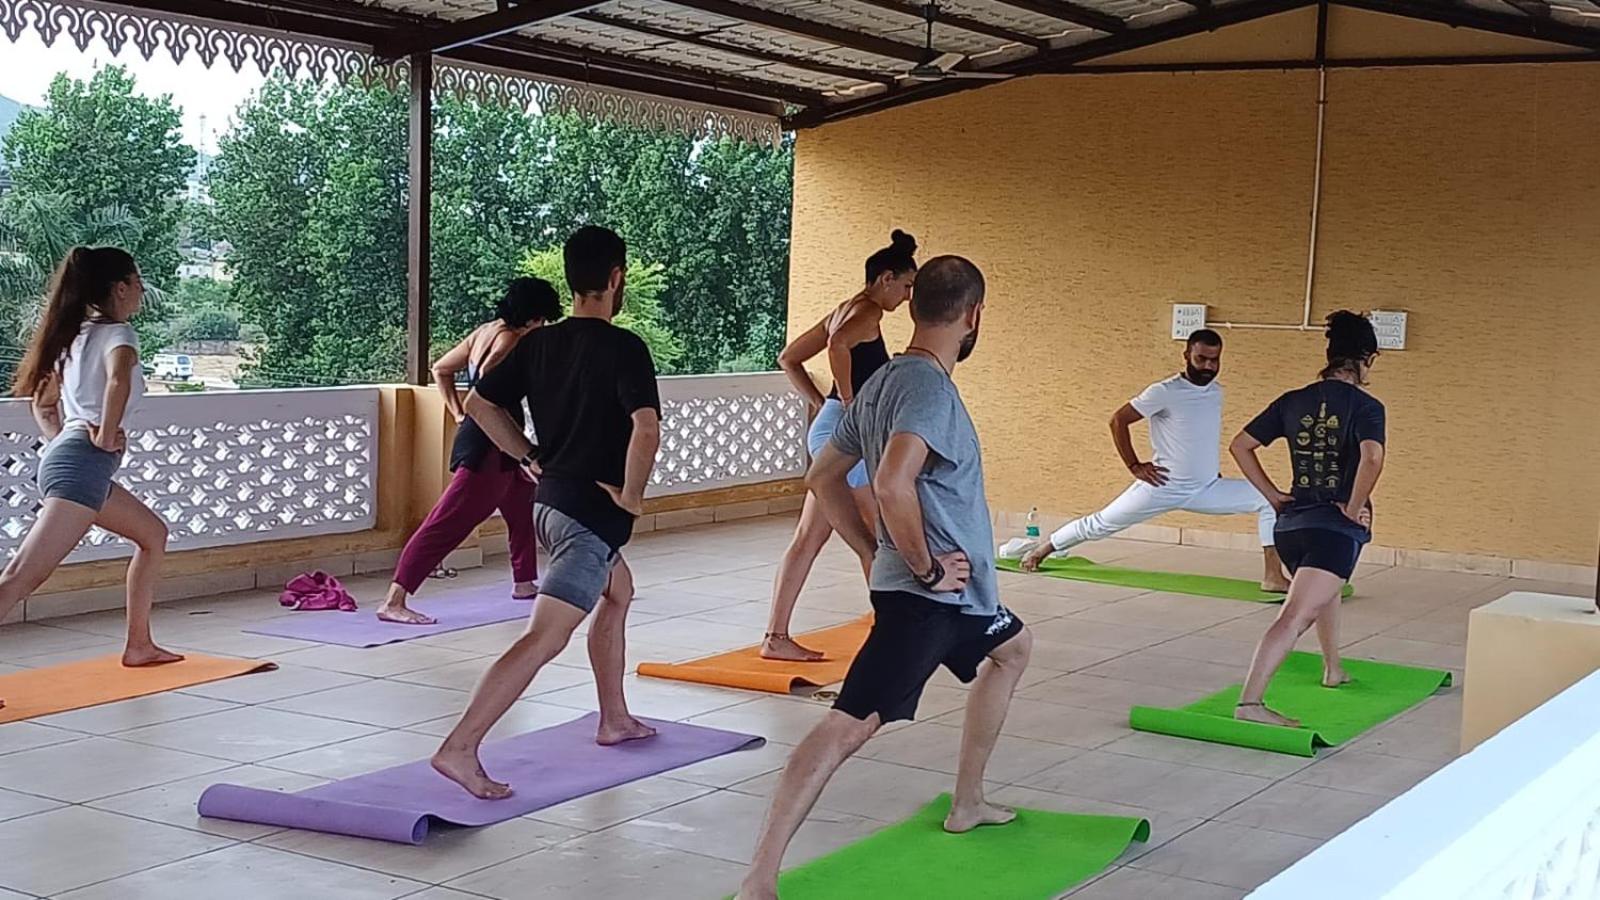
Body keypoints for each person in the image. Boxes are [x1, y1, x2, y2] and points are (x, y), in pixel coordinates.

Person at [737, 256, 1032, 900]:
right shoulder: (927, 391)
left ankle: (968, 801)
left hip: (963, 599)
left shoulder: (885, 380)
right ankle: (759, 879)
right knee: (847, 724)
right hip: (931, 601)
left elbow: (822, 476)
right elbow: (893, 482)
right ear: (974, 315)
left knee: (1013, 649)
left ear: (913, 304)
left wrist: (873, 551)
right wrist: (922, 566)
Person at [430, 226, 662, 799]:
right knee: (544, 638)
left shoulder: (538, 343)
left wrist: (529, 455)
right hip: (587, 518)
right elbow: (646, 428)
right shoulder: (625, 347)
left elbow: (479, 403)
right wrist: (633, 496)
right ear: (616, 278)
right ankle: (460, 748)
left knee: (619, 592)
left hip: (553, 503)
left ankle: (614, 718)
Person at [0, 247, 182, 708]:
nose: (141, 290)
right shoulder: (120, 334)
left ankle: (139, 646)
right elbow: (118, 380)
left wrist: (68, 438)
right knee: (20, 577)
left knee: (153, 535)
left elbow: (43, 405)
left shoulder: (76, 336)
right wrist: (100, 435)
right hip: (81, 465)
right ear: (119, 288)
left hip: (76, 460)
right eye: (137, 281)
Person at [1020, 329, 1290, 592]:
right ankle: (1043, 549)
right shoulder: (1164, 391)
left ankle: (1273, 577)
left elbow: (1199, 435)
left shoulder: (1215, 392)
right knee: (1101, 523)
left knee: (1269, 499)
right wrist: (1134, 466)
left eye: (1214, 360)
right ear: (1186, 355)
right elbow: (1118, 420)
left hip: (1205, 487)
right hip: (1163, 485)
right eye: (1201, 359)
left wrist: (1209, 469)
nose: (1208, 366)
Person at [763, 230, 918, 660]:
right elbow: (837, 346)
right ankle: (891, 640)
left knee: (809, 537)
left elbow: (789, 358)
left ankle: (775, 637)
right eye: (906, 286)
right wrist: (848, 402)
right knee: (874, 537)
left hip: (831, 429)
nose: (907, 297)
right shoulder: (868, 310)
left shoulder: (843, 309)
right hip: (845, 435)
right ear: (885, 278)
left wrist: (825, 403)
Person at [1229, 311, 1386, 727]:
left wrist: (1272, 496)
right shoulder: (1367, 406)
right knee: (1294, 616)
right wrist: (1353, 508)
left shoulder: (1293, 400)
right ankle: (1249, 704)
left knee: (1325, 591)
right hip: (1332, 530)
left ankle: (1333, 668)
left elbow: (1241, 446)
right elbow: (1372, 457)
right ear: (1367, 359)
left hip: (1291, 525)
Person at [377, 278, 564, 625]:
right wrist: (469, 412)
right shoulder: (509, 340)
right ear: (534, 317)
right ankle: (394, 600)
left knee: (523, 507)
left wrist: (458, 413)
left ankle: (524, 582)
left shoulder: (486, 331)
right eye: (542, 320)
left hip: (503, 442)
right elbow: (486, 389)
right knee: (446, 522)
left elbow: (441, 369)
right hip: (488, 445)